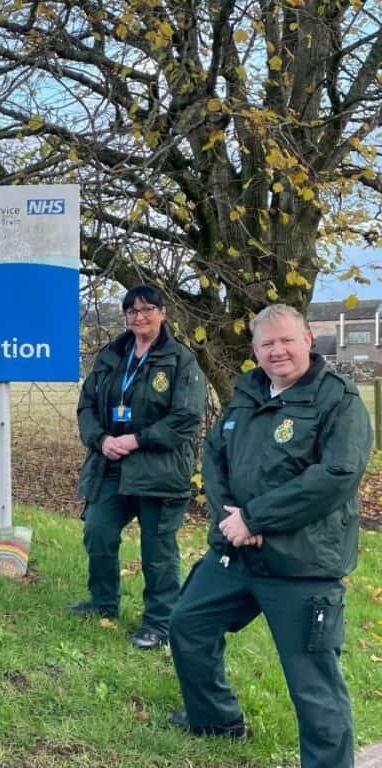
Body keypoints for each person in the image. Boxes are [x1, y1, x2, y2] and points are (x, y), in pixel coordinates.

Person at [169, 304, 371, 766]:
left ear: (308, 340)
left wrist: (256, 518)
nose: (277, 351)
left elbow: (337, 474)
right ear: (255, 350)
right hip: (237, 554)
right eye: (266, 343)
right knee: (188, 625)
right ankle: (216, 721)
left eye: (286, 340)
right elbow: (214, 456)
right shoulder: (247, 393)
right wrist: (230, 521)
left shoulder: (338, 400)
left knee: (312, 682)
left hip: (302, 565)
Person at [73, 285, 207, 649]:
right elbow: (86, 407)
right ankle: (103, 603)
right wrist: (100, 440)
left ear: (162, 313)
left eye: (147, 309)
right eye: (131, 310)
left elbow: (186, 418)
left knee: (157, 550)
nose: (139, 317)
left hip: (159, 470)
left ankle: (159, 623)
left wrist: (137, 439)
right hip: (111, 465)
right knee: (98, 532)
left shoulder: (181, 360)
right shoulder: (112, 356)